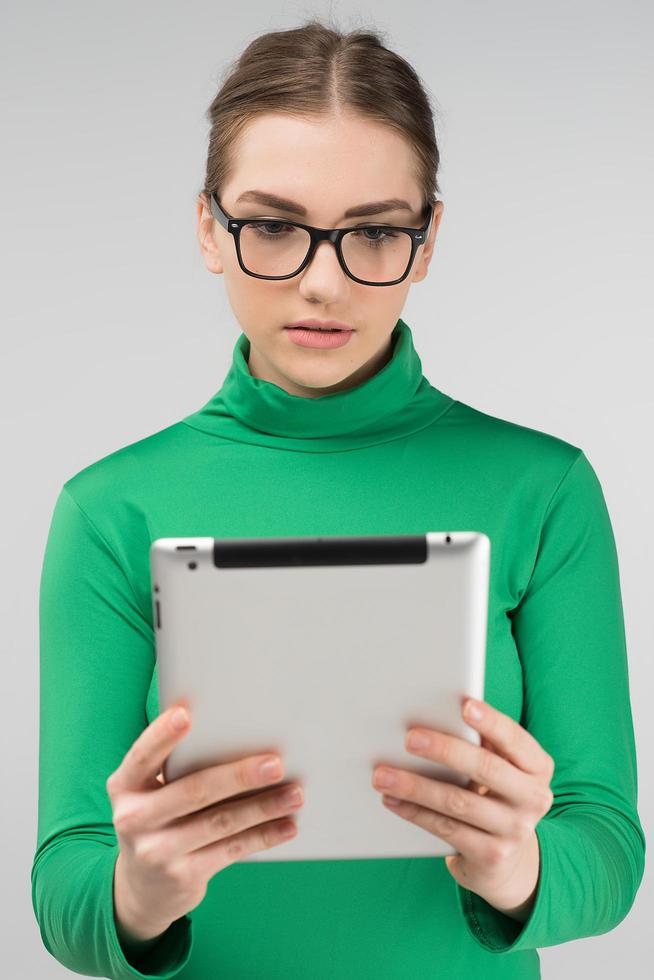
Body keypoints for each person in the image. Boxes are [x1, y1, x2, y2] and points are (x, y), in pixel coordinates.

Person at [31, 17, 645, 980]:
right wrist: (140, 889)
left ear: (428, 238)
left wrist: (520, 863)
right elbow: (65, 883)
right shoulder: (109, 510)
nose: (323, 281)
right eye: (274, 225)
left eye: (374, 232)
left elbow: (608, 852)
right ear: (208, 228)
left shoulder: (545, 488)